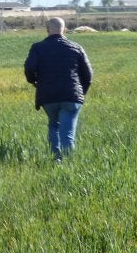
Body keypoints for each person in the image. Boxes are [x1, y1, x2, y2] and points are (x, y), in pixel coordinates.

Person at [24, 17, 93, 161]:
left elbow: (29, 68)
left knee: (54, 125)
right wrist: (81, 92)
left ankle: (56, 159)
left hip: (48, 96)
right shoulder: (76, 47)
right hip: (71, 97)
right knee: (67, 132)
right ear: (64, 29)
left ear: (48, 29)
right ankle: (68, 163)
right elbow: (88, 75)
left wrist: (35, 82)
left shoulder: (38, 47)